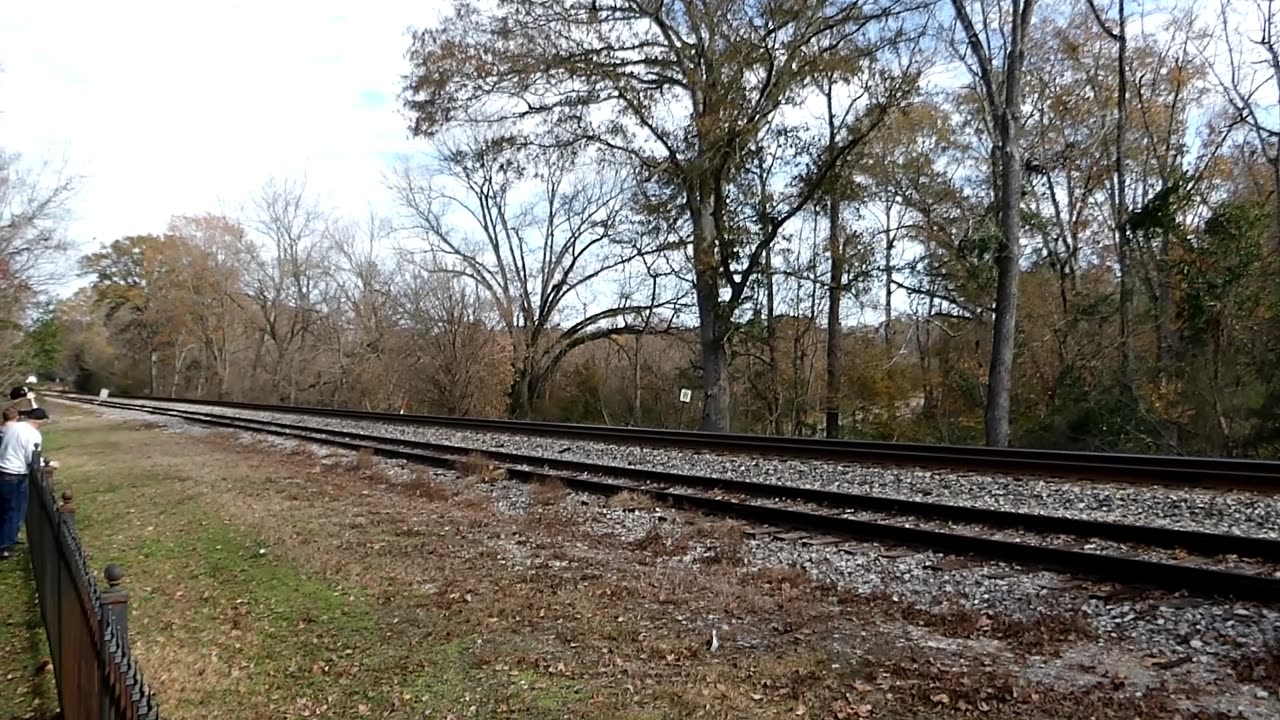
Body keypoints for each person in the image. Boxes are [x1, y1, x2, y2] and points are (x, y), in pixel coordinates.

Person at [0, 407, 49, 559]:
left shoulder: (13, 426)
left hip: (2, 470)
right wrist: (49, 463)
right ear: (41, 422)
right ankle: (4, 546)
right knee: (15, 512)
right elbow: (32, 458)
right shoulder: (33, 434)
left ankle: (7, 539)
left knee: (3, 510)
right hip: (15, 474)